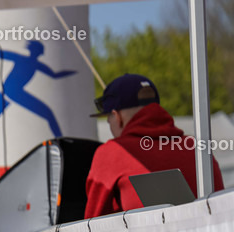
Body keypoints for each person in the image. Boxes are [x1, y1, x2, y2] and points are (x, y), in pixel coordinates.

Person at [85, 73, 224, 218]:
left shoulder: (112, 152)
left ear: (117, 117)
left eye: (109, 121)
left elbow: (92, 224)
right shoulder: (195, 145)